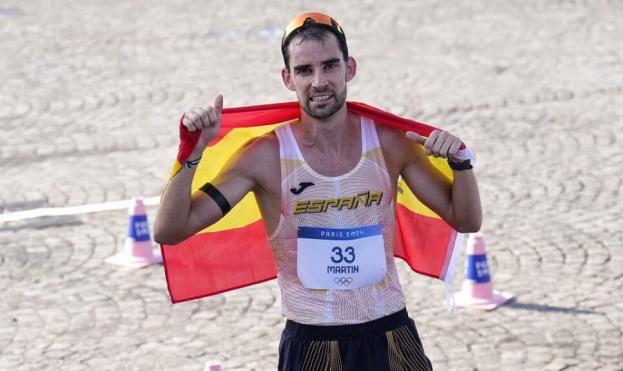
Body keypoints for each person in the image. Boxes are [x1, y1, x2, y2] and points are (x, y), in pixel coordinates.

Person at [154, 12, 482, 371]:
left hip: (389, 333)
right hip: (312, 343)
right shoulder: (264, 157)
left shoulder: (390, 143)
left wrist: (461, 165)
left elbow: (465, 220)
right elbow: (170, 230)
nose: (319, 81)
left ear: (350, 68)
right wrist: (194, 153)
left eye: (329, 66)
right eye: (305, 70)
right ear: (287, 78)